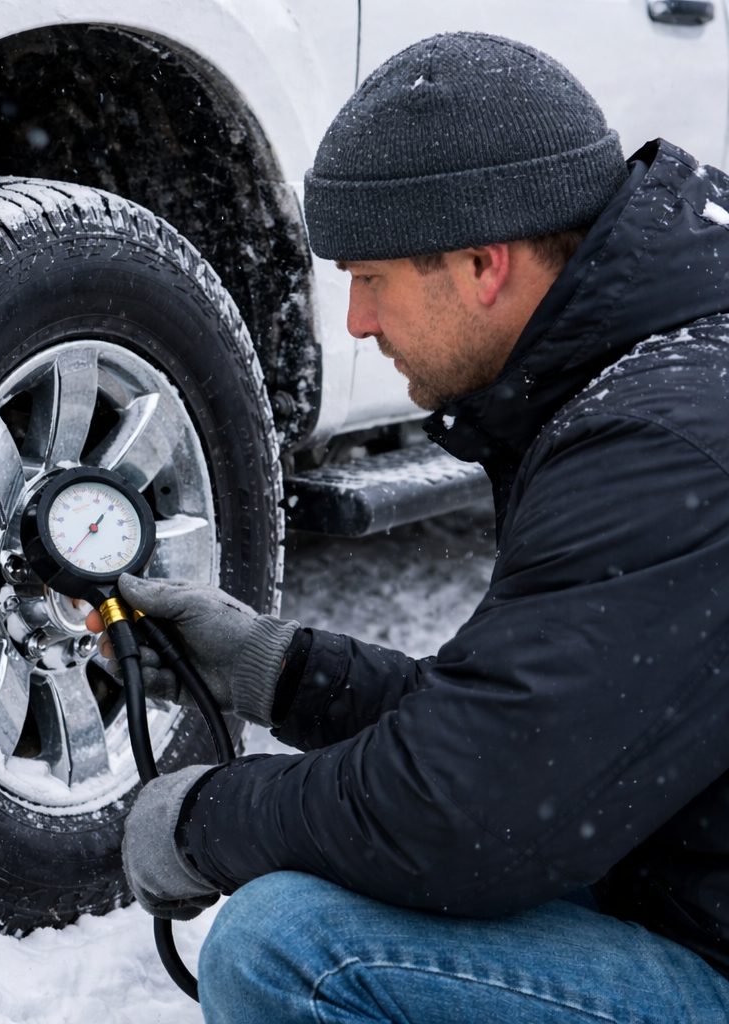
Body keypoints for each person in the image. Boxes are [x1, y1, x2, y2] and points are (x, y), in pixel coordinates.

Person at [93, 32, 729, 1022]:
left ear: (483, 264)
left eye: (371, 277)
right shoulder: (662, 370)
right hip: (686, 869)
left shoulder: (658, 442)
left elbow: (473, 816)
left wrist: (204, 823)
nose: (352, 321)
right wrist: (284, 669)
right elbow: (545, 733)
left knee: (287, 950)